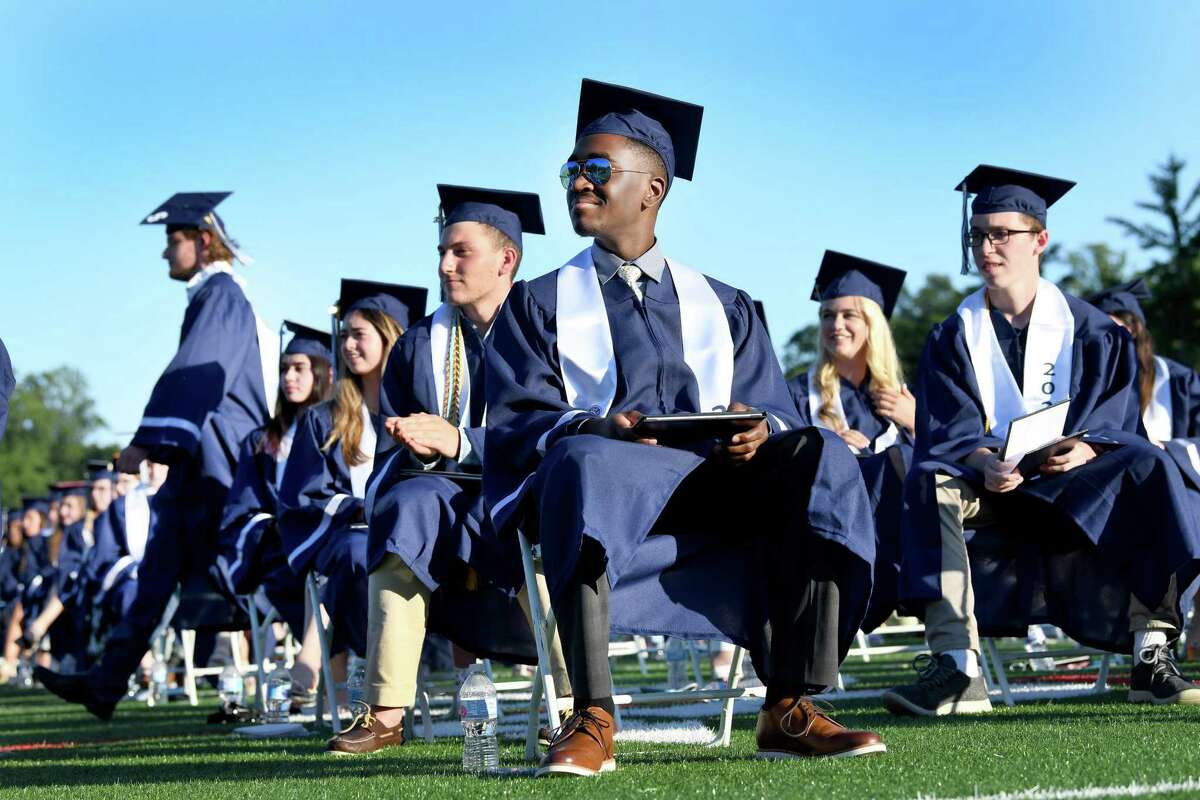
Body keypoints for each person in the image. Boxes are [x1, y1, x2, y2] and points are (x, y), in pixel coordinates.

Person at [485, 80, 885, 776]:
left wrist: (758, 431)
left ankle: (789, 704)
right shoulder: (537, 305)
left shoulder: (725, 304)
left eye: (597, 169)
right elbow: (521, 421)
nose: (578, 182)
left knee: (820, 453)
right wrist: (600, 426)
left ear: (653, 190)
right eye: (572, 170)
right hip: (607, 479)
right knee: (582, 459)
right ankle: (591, 711)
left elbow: (774, 408)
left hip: (717, 484)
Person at [883, 166, 1200, 717]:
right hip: (993, 487)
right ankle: (958, 669)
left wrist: (1089, 448)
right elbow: (947, 433)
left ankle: (1151, 653)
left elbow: (1119, 418)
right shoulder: (952, 337)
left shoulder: (1095, 331)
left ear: (1040, 240)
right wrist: (983, 461)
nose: (987, 246)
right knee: (930, 481)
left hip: (1076, 480)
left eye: (1002, 233)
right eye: (978, 235)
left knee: (1150, 464)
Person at [37, 192, 275, 719]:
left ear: (203, 240)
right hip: (198, 466)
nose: (166, 254)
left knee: (247, 579)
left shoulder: (224, 296)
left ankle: (296, 681)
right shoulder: (210, 296)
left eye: (174, 241)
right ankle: (106, 682)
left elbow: (196, 372)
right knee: (159, 573)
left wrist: (148, 441)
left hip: (223, 465)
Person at [328, 185, 548, 754]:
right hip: (442, 499)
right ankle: (384, 711)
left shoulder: (547, 332)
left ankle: (573, 704)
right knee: (405, 507)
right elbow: (392, 460)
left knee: (545, 513)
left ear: (507, 259)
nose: (445, 265)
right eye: (441, 252)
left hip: (529, 486)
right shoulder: (418, 345)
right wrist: (419, 445)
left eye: (461, 252)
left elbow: (561, 427)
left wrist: (460, 440)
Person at [278, 280, 423, 663]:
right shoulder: (323, 419)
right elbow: (304, 497)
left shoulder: (421, 409)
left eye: (358, 335)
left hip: (412, 528)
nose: (347, 346)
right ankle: (372, 670)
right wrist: (359, 508)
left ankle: (459, 673)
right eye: (344, 337)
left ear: (389, 336)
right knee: (361, 553)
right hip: (350, 536)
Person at [787, 252, 914, 632]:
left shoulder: (907, 398)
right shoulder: (797, 393)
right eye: (827, 315)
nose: (836, 325)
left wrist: (916, 423)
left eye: (848, 315)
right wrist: (824, 444)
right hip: (826, 532)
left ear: (872, 324)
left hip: (905, 533)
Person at [216, 320, 334, 704]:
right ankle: (321, 668)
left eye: (300, 368)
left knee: (333, 570)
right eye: (285, 368)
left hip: (330, 538)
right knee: (299, 572)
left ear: (322, 372)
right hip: (279, 550)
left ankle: (317, 667)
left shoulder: (340, 428)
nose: (289, 377)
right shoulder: (262, 441)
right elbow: (242, 508)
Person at [1088, 279, 1200, 658]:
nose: (1117, 329)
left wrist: (1168, 450)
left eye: (1124, 321)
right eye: (1106, 323)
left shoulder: (1179, 381)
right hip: (1111, 492)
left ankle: (1162, 634)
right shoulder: (1090, 380)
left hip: (1180, 486)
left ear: (1139, 327)